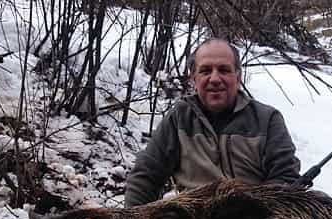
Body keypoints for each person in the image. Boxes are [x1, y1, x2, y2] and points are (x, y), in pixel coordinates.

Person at [123, 38, 301, 207]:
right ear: (194, 78)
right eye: (205, 71)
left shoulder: (267, 119)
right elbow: (146, 175)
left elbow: (285, 178)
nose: (214, 79)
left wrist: (253, 214)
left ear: (238, 77)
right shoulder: (179, 119)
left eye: (223, 70)